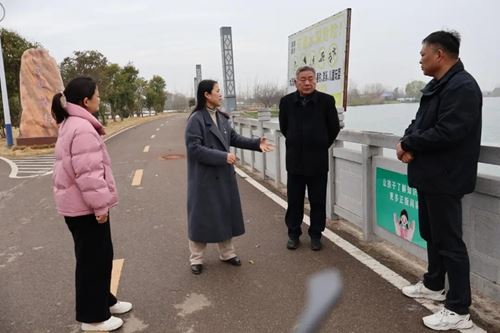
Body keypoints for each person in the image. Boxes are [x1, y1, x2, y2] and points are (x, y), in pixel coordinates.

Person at [397, 31, 482, 331]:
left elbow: (449, 132)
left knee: (450, 242)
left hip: (447, 177)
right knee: (432, 234)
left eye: (423, 54)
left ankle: (459, 308)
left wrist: (410, 145)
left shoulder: (463, 87)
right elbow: (418, 123)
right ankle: (434, 284)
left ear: (440, 55)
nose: (420, 59)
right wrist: (407, 141)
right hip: (429, 175)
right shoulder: (436, 86)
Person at [52, 77, 132, 332]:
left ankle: (104, 302)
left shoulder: (72, 123)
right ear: (86, 101)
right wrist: (100, 207)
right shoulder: (82, 128)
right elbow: (88, 175)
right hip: (84, 208)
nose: (100, 98)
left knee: (100, 256)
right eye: (97, 95)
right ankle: (93, 318)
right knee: (92, 260)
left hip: (79, 206)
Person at [185, 79, 273, 275]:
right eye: (217, 91)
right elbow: (194, 149)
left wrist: (256, 143)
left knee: (224, 213)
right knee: (201, 217)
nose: (221, 94)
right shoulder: (196, 120)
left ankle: (227, 253)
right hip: (204, 178)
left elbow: (233, 138)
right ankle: (196, 258)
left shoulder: (222, 118)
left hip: (223, 176)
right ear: (206, 95)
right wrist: (223, 156)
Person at [279, 66, 340, 251]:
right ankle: (293, 234)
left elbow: (334, 128)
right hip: (295, 161)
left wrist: (320, 144)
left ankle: (315, 235)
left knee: (318, 201)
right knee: (295, 201)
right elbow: (284, 127)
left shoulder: (326, 101)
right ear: (296, 82)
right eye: (303, 79)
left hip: (318, 162)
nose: (307, 82)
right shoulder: (287, 102)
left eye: (311, 79)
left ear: (315, 80)